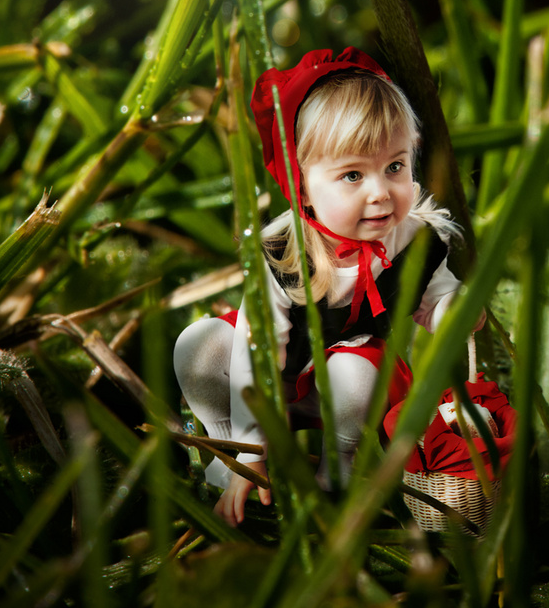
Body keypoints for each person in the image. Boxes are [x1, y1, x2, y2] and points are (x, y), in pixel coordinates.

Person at [174, 47, 472, 527]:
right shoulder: (283, 249)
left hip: (349, 383)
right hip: (271, 379)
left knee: (355, 379)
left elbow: (434, 297)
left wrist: (455, 310)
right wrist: (252, 445)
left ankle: (338, 471)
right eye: (352, 174)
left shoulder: (412, 240)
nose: (380, 191)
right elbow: (258, 347)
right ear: (302, 186)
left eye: (395, 166)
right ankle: (229, 450)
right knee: (199, 345)